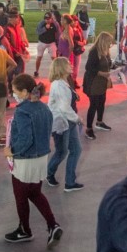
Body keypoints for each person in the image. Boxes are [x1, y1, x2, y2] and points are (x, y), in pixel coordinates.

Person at [2, 74, 61, 245]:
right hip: (41, 158)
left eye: (15, 91)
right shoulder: (44, 108)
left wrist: (11, 151)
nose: (13, 94)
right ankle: (52, 225)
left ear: (24, 92)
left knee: (21, 197)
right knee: (35, 193)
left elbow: (25, 139)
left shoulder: (22, 111)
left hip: (24, 161)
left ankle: (24, 230)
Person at [46, 57, 83, 192]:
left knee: (75, 150)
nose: (71, 65)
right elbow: (64, 108)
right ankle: (49, 173)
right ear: (61, 67)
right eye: (68, 64)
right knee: (62, 152)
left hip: (68, 122)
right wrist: (77, 118)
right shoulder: (59, 85)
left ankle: (70, 182)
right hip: (62, 123)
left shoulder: (64, 82)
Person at [82, 32, 113, 141]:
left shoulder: (106, 51)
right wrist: (102, 73)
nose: (110, 44)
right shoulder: (94, 52)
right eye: (109, 42)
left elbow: (108, 64)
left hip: (102, 82)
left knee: (101, 102)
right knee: (93, 105)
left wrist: (113, 67)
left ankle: (99, 122)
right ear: (104, 41)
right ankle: (89, 128)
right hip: (94, 82)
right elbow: (89, 68)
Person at [34, 12, 60, 78]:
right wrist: (45, 28)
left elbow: (58, 33)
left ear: (52, 18)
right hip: (42, 42)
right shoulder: (41, 23)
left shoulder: (55, 24)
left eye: (49, 19)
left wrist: (57, 43)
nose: (47, 20)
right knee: (39, 57)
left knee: (54, 58)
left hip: (51, 43)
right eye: (46, 19)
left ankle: (56, 72)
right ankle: (36, 71)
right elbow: (37, 32)